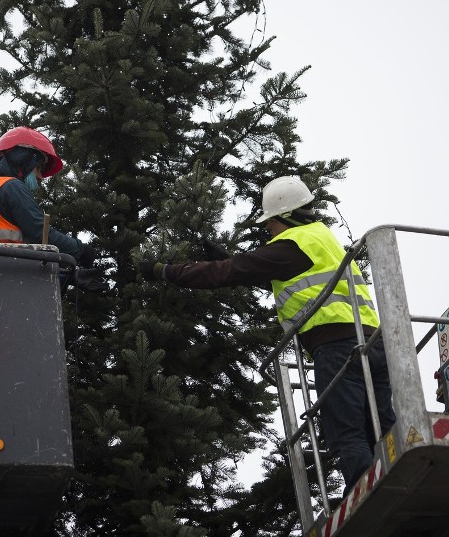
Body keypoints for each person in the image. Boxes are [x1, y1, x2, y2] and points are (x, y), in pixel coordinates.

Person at [138, 175, 396, 493]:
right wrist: (225, 255)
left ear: (284, 216)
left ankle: (364, 492)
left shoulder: (289, 248)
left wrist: (164, 271)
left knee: (346, 429)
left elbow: (228, 273)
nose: (269, 229)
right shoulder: (321, 238)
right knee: (382, 423)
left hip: (336, 348)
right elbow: (284, 276)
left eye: (270, 223)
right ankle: (401, 475)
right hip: (373, 343)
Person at [0, 126, 105, 293]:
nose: (40, 177)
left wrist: (69, 275)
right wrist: (81, 250)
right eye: (38, 167)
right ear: (22, 160)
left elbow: (21, 247)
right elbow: (41, 233)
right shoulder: (11, 187)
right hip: (8, 279)